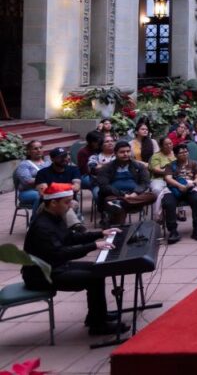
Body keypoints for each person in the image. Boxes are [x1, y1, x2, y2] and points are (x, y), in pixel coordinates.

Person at [22, 183, 125, 336]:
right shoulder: (42, 226)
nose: (70, 205)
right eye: (67, 202)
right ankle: (98, 325)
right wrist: (94, 246)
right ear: (53, 203)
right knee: (94, 277)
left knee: (98, 269)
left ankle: (97, 316)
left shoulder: (54, 217)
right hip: (41, 275)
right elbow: (61, 253)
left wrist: (100, 233)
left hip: (54, 266)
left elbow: (70, 237)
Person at [94, 141, 155, 226]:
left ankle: (122, 202)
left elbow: (145, 183)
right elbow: (104, 186)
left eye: (128, 151)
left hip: (134, 195)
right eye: (122, 152)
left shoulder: (138, 166)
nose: (126, 154)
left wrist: (135, 193)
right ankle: (123, 206)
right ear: (115, 153)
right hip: (115, 195)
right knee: (110, 201)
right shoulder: (106, 168)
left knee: (152, 196)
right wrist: (123, 194)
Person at [160, 143, 197, 243]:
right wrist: (179, 186)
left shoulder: (194, 163)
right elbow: (168, 178)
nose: (184, 154)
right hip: (174, 189)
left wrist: (193, 183)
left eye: (186, 152)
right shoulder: (170, 165)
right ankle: (173, 231)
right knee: (168, 203)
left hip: (190, 187)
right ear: (176, 155)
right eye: (181, 153)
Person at [33, 148, 84, 227]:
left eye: (66, 156)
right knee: (64, 208)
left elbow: (76, 187)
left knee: (67, 205)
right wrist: (68, 188)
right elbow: (44, 193)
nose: (65, 159)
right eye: (61, 157)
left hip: (70, 201)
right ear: (52, 159)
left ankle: (71, 229)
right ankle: (76, 228)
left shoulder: (74, 170)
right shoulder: (42, 173)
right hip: (48, 204)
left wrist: (53, 188)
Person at [14, 140, 49, 214]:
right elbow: (27, 181)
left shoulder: (48, 163)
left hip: (47, 189)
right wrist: (47, 179)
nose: (39, 150)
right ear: (29, 152)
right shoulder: (24, 164)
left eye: (40, 148)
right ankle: (35, 222)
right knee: (43, 196)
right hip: (28, 192)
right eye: (35, 149)